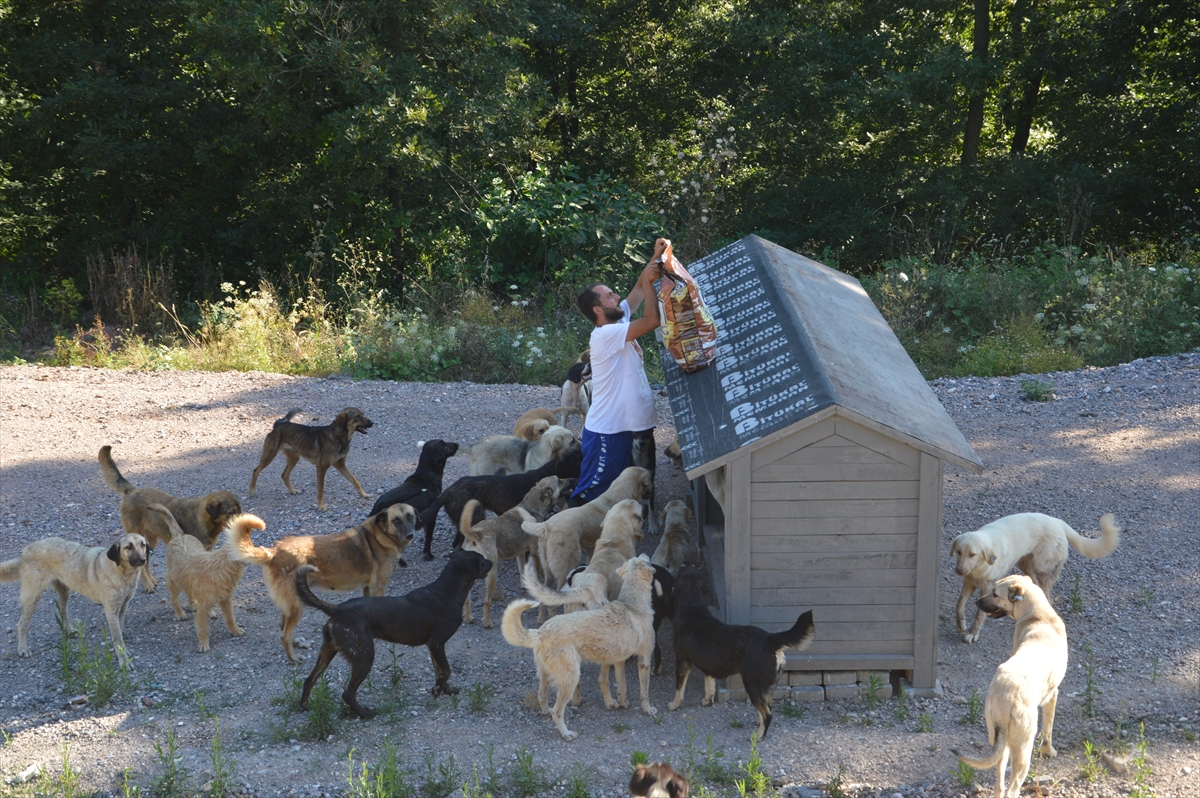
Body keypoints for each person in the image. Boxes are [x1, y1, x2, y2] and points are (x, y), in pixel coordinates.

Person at [570, 239, 672, 505]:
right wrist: (651, 283)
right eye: (610, 295)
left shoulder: (618, 319)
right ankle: (562, 537)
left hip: (620, 427)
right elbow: (651, 320)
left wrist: (655, 256)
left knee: (614, 492)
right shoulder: (606, 334)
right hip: (607, 430)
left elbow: (638, 287)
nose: (617, 296)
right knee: (592, 493)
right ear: (598, 309)